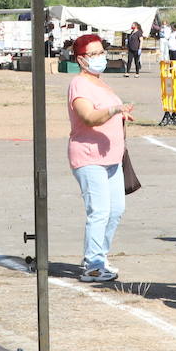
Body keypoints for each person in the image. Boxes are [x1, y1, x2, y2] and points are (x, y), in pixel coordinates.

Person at [64, 33, 132, 283]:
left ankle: (99, 256)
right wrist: (114, 110)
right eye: (93, 54)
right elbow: (89, 117)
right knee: (99, 211)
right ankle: (92, 266)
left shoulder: (101, 82)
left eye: (101, 52)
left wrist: (120, 116)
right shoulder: (79, 84)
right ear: (81, 59)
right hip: (89, 156)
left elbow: (108, 114)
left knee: (116, 210)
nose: (99, 57)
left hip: (112, 158)